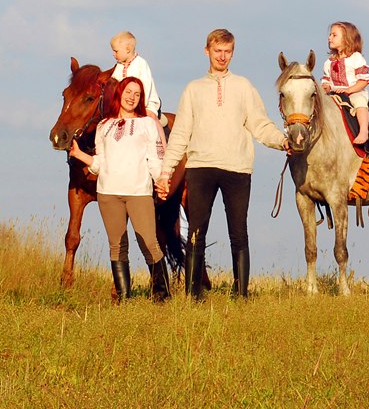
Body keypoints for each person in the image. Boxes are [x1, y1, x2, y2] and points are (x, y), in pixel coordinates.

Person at [155, 28, 287, 299]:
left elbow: (260, 124)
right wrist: (166, 171)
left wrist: (282, 141)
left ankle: (241, 294)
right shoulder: (193, 89)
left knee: (238, 231)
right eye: (218, 51)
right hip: (200, 167)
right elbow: (180, 134)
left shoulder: (243, 87)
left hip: (237, 168)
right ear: (207, 51)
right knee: (196, 231)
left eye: (227, 51)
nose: (222, 56)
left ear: (233, 53)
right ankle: (194, 295)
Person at [68, 76, 171, 302]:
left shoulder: (147, 124)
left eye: (137, 94)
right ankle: (125, 298)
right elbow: (99, 164)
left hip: (138, 192)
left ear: (140, 98)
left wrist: (161, 181)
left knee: (149, 243)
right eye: (128, 92)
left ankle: (162, 297)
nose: (131, 97)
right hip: (108, 193)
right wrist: (79, 155)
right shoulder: (104, 126)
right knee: (117, 246)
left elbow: (155, 160)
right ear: (120, 94)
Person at [321, 20, 369, 217]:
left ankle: (364, 130)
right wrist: (326, 88)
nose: (330, 37)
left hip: (353, 92)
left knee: (360, 105)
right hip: (335, 97)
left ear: (347, 39)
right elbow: (325, 80)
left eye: (334, 34)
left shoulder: (356, 58)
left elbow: (364, 80)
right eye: (330, 34)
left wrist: (349, 90)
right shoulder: (329, 62)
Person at [111, 30, 168, 154]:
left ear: (127, 49)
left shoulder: (141, 64)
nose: (113, 54)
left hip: (145, 103)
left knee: (151, 117)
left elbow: (145, 86)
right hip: (124, 105)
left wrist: (140, 104)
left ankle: (163, 148)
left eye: (116, 51)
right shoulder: (118, 66)